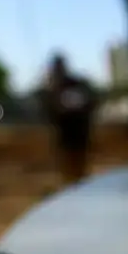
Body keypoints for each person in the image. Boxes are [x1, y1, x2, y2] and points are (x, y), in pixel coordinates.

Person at [41, 54, 99, 185]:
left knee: (78, 158)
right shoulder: (52, 87)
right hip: (65, 130)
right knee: (68, 159)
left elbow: (90, 103)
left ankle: (78, 182)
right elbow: (49, 111)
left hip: (78, 128)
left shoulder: (75, 84)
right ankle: (72, 183)